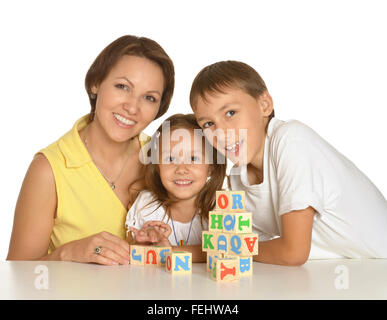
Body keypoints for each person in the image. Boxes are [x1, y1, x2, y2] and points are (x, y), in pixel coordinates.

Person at [189, 60, 387, 266]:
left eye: (230, 113)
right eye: (208, 124)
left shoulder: (291, 140)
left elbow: (292, 253)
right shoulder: (239, 178)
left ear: (264, 104)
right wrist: (170, 250)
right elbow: (244, 246)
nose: (221, 133)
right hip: (350, 272)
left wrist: (224, 245)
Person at [7, 35, 175, 266]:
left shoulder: (165, 158)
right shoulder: (49, 169)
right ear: (96, 83)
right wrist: (65, 254)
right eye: (122, 86)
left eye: (149, 97)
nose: (132, 107)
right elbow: (16, 276)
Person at [125, 114, 226, 262]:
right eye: (170, 159)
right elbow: (131, 252)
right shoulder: (146, 205)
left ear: (210, 167)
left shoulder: (222, 207)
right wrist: (141, 242)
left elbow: (228, 251)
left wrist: (168, 252)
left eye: (193, 158)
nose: (181, 169)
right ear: (157, 166)